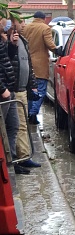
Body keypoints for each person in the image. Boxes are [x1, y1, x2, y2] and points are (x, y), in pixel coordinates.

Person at [7, 15, 40, 169]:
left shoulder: (23, 41)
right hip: (14, 90)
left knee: (22, 124)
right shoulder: (9, 41)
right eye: (21, 22)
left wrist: (32, 84)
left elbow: (28, 64)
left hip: (22, 89)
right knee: (17, 125)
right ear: (13, 24)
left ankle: (23, 155)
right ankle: (21, 157)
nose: (24, 24)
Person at [22, 11, 62, 125]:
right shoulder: (45, 28)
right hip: (40, 65)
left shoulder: (26, 28)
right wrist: (57, 51)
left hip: (27, 64)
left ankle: (29, 113)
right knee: (40, 91)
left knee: (30, 91)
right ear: (43, 19)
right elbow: (49, 44)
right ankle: (33, 114)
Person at [0, 17, 24, 174]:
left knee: (13, 125)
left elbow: (6, 59)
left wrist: (12, 44)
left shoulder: (2, 39)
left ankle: (12, 162)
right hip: (3, 92)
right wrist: (2, 89)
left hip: (8, 89)